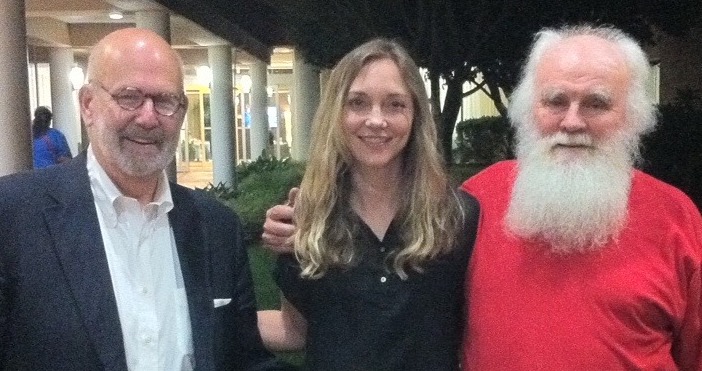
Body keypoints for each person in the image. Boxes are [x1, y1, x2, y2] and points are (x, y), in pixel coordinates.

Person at [262, 25, 702, 370]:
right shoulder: (479, 202)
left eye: (597, 103)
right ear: (529, 107)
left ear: (634, 115)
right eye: (555, 100)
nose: (572, 121)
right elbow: (318, 320)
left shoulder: (678, 220)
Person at [0, 28, 293, 371]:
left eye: (165, 101)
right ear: (89, 105)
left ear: (182, 113)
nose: (149, 117)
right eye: (130, 97)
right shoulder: (14, 215)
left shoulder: (216, 227)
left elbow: (243, 358)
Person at [257, 38, 479, 370]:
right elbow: (295, 330)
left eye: (395, 104)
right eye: (358, 103)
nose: (376, 120)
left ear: (416, 115)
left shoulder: (458, 216)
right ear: (336, 113)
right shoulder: (307, 218)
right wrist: (197, 315)